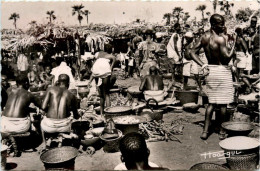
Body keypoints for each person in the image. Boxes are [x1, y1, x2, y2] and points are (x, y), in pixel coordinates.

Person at [190, 14, 237, 140]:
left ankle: (205, 131)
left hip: (211, 71)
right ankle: (221, 131)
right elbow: (227, 58)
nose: (223, 26)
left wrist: (203, 65)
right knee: (222, 105)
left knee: (211, 103)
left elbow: (191, 52)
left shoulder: (204, 37)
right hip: (222, 71)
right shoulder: (221, 39)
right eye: (220, 24)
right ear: (213, 24)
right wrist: (234, 44)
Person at [41, 74, 80, 148]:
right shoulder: (72, 95)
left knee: (42, 119)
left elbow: (43, 107)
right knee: (72, 120)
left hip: (49, 125)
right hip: (64, 126)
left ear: (58, 82)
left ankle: (45, 142)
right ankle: (61, 136)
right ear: (68, 83)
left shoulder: (50, 89)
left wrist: (50, 109)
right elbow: (76, 116)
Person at [87, 44, 116, 116]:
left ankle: (101, 113)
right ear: (111, 50)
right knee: (106, 93)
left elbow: (94, 69)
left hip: (96, 68)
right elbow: (110, 69)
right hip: (105, 69)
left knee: (101, 95)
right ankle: (109, 113)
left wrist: (90, 81)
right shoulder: (112, 56)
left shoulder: (99, 54)